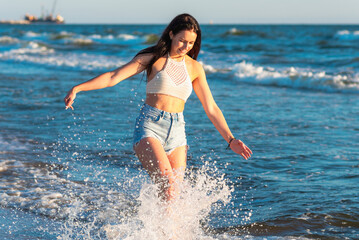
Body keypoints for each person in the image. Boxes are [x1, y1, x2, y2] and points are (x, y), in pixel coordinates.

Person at [64, 13, 252, 202]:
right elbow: (114, 77)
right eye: (182, 40)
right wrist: (78, 88)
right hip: (150, 126)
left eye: (191, 43)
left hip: (178, 133)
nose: (185, 47)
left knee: (174, 196)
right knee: (168, 186)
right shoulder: (153, 58)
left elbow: (211, 107)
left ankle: (169, 233)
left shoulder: (195, 68)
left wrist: (230, 139)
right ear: (171, 34)